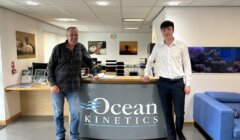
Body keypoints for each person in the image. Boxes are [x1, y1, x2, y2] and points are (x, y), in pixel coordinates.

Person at [47, 27, 98, 140]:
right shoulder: (58, 48)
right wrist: (52, 84)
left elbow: (90, 61)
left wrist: (94, 73)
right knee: (58, 113)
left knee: (76, 113)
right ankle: (60, 136)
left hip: (73, 87)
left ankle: (74, 136)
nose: (74, 37)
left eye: (76, 35)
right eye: (71, 35)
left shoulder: (81, 47)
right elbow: (50, 67)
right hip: (58, 87)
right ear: (67, 36)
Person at [143, 20, 192, 140]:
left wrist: (188, 84)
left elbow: (187, 64)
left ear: (173, 30)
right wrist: (146, 73)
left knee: (179, 113)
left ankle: (179, 130)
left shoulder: (181, 45)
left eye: (168, 29)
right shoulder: (158, 46)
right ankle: (172, 136)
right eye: (164, 30)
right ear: (161, 32)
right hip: (163, 83)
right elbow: (150, 60)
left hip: (178, 83)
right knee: (167, 113)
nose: (166, 32)